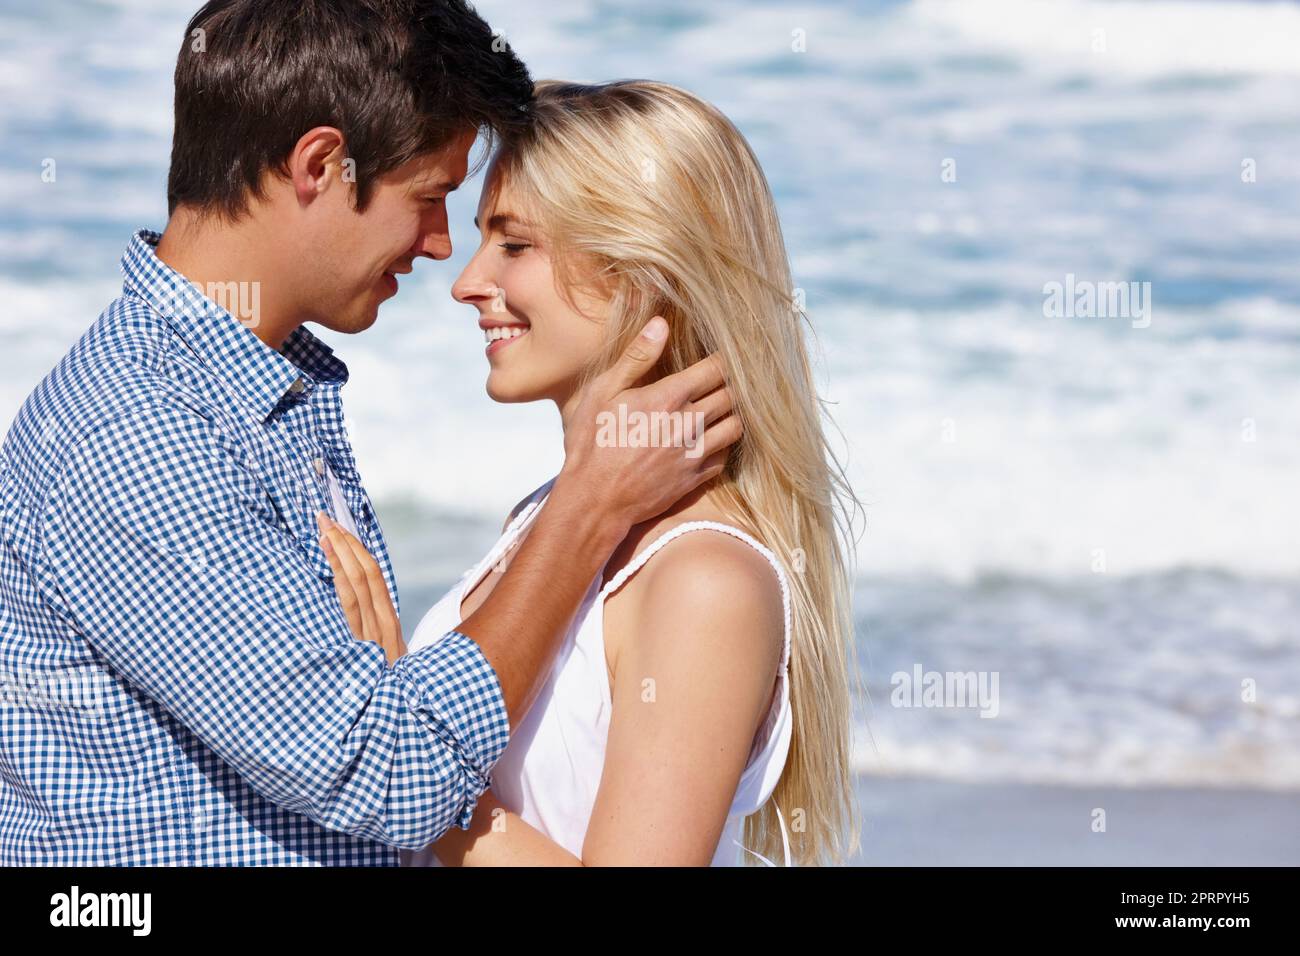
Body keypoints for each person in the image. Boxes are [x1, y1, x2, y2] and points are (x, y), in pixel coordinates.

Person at [0, 2, 738, 866]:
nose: (440, 251)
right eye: (431, 199)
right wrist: (587, 507)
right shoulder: (143, 433)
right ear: (321, 163)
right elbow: (389, 774)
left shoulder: (259, 394)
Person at [322, 80, 859, 866]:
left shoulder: (704, 580)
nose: (467, 283)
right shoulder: (546, 519)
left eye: (513, 245)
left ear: (638, 275)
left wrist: (407, 770)